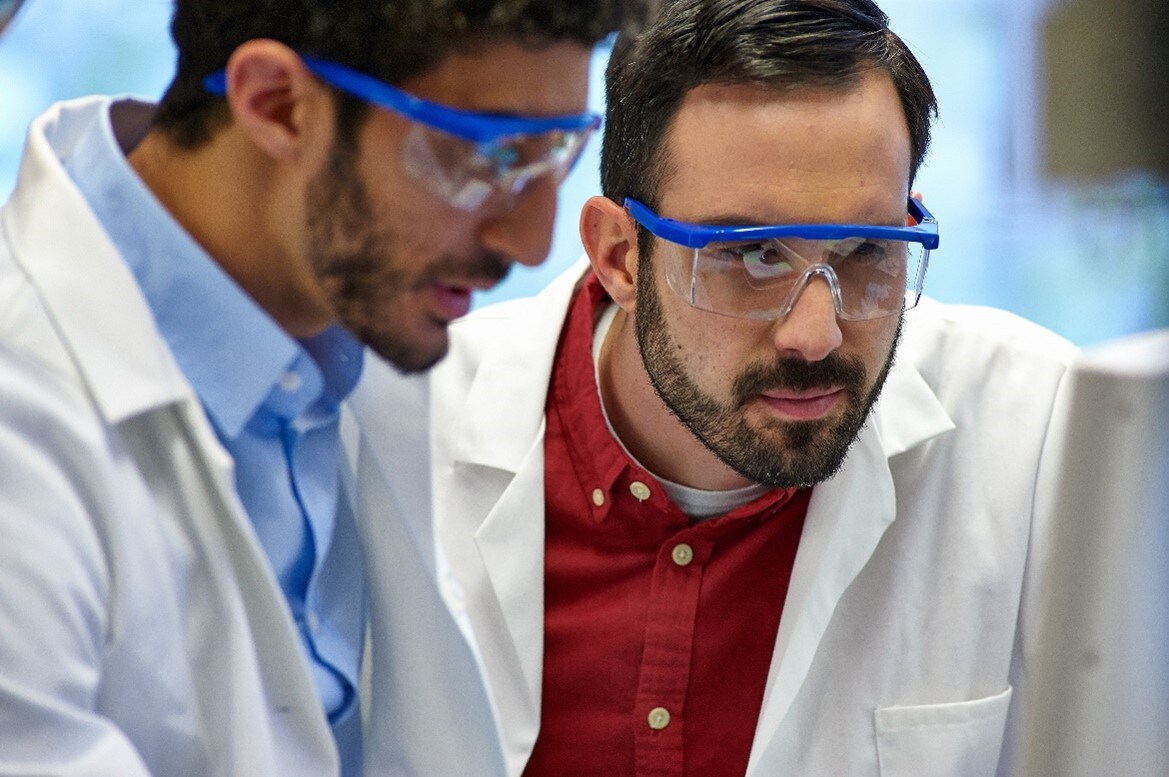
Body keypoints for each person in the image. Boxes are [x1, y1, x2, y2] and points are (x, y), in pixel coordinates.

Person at [350, 0, 1081, 774]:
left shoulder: (1040, 434)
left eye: (870, 249)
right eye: (751, 254)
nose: (815, 334)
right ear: (620, 256)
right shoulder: (390, 433)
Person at [0, 1, 649, 774]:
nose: (530, 240)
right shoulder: (27, 415)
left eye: (555, 154)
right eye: (484, 158)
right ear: (276, 104)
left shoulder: (350, 314)